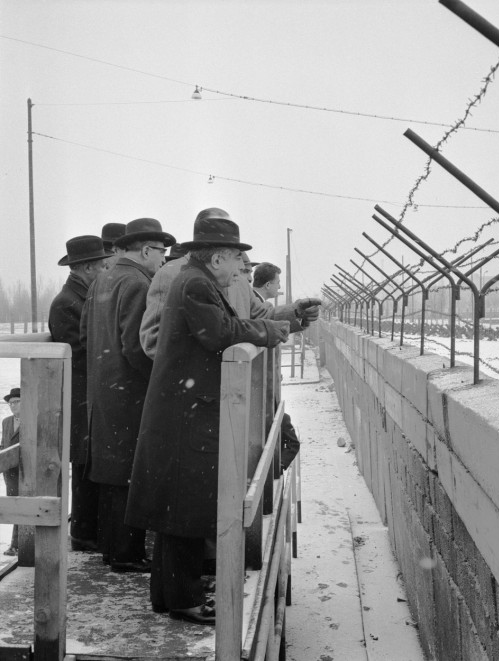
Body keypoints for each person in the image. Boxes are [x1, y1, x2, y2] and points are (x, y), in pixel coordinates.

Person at [126, 209, 291, 624]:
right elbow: (220, 333)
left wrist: (272, 325)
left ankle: (170, 596)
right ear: (217, 258)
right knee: (184, 510)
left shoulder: (193, 280)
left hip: (181, 409)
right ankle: (185, 600)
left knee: (173, 509)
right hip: (186, 413)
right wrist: (268, 333)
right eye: (237, 260)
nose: (241, 270)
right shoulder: (196, 283)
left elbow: (228, 324)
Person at [81, 217, 175, 573]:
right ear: (147, 250)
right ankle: (126, 553)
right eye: (161, 252)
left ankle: (111, 548)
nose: (163, 259)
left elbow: (87, 335)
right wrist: (159, 381)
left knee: (110, 473)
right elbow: (136, 346)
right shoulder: (137, 282)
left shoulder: (102, 278)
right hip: (131, 393)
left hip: (104, 391)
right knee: (129, 473)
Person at [139, 208, 321, 359]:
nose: (240, 265)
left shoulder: (236, 279)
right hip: (198, 390)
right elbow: (154, 341)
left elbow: (262, 315)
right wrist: (212, 363)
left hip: (235, 387)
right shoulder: (170, 275)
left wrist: (296, 313)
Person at [48, 236, 112, 552]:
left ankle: (91, 529)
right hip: (80, 396)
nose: (105, 269)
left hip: (90, 395)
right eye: (101, 265)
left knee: (92, 462)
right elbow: (80, 352)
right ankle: (85, 533)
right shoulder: (66, 303)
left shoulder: (84, 296)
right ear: (86, 267)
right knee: (85, 464)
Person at [2, 388, 20, 556]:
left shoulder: (32, 421)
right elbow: (4, 444)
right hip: (9, 473)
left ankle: (16, 544)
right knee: (14, 506)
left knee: (22, 506)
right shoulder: (6, 422)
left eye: (17, 402)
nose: (13, 405)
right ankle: (15, 544)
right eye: (11, 403)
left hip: (25, 472)